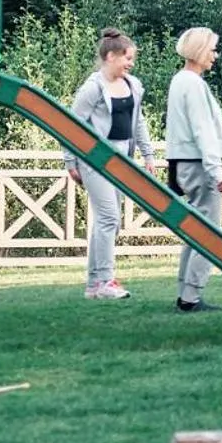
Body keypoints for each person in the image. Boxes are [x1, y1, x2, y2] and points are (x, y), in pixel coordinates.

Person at [65, 28, 157, 299]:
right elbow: (72, 125)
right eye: (127, 58)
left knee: (108, 222)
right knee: (109, 218)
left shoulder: (133, 85)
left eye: (132, 60)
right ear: (110, 56)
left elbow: (137, 122)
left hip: (122, 158)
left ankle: (94, 285)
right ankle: (106, 281)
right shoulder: (92, 88)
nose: (131, 64)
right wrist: (71, 160)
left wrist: (148, 154)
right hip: (95, 158)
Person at [166, 26, 222, 314]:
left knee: (196, 230)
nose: (215, 56)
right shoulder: (192, 84)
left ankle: (185, 292)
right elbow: (203, 130)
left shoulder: (179, 81)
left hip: (184, 163)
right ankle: (191, 296)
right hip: (198, 165)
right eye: (212, 50)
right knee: (208, 233)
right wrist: (216, 172)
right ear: (200, 51)